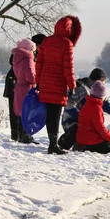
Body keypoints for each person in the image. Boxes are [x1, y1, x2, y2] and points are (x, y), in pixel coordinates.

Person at [57, 67, 110, 150]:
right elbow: (69, 106)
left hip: (87, 123)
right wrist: (83, 119)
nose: (103, 85)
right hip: (71, 122)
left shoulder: (97, 91)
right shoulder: (80, 88)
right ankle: (65, 141)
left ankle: (83, 144)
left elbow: (108, 106)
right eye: (103, 82)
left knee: (94, 132)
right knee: (83, 129)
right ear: (99, 80)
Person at [35, 15, 82, 155]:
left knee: (50, 114)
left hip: (45, 82)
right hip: (58, 83)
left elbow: (39, 64)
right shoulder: (67, 44)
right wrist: (72, 85)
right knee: (56, 114)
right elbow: (68, 68)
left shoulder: (46, 41)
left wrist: (38, 81)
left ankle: (52, 143)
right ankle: (53, 145)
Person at [3, 34, 45, 142]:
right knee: (21, 110)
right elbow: (30, 74)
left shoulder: (21, 53)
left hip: (17, 83)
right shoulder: (26, 55)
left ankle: (17, 135)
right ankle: (20, 135)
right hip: (19, 83)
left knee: (17, 110)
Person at [74, 81, 110, 155]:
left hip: (82, 138)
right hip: (90, 141)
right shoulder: (96, 108)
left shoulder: (87, 104)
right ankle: (86, 148)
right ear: (102, 96)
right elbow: (100, 128)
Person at [11, 39, 37, 143]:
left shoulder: (17, 58)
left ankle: (21, 135)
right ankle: (27, 136)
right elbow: (31, 76)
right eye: (33, 50)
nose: (34, 52)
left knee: (22, 112)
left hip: (19, 86)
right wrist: (38, 78)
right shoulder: (28, 59)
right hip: (28, 88)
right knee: (28, 112)